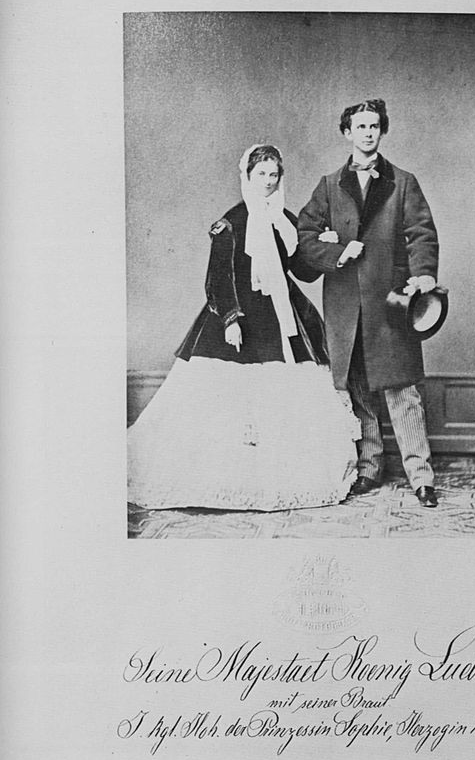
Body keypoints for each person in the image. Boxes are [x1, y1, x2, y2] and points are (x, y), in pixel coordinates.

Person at [128, 144, 359, 511]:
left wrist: (325, 248)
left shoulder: (285, 220)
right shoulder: (232, 222)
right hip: (240, 314)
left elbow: (301, 271)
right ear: (247, 176)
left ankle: (286, 475)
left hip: (281, 313)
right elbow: (218, 277)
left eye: (273, 174)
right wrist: (231, 319)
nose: (267, 181)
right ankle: (227, 479)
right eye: (261, 174)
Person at [297, 99, 440, 507]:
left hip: (392, 301)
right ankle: (369, 467)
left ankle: (421, 477)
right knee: (358, 387)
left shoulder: (403, 182)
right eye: (360, 127)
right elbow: (305, 237)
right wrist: (337, 253)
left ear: (382, 130)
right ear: (347, 133)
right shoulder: (329, 185)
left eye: (374, 126)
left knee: (402, 388)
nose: (367, 133)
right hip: (345, 304)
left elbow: (422, 233)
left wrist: (424, 274)